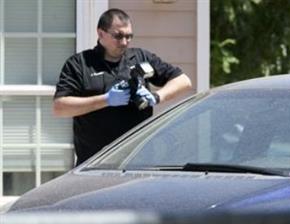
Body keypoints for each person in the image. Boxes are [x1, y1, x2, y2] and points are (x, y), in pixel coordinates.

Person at [53, 8, 192, 165]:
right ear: (100, 34)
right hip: (94, 163)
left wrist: (157, 96)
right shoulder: (80, 64)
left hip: (138, 161)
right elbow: (60, 107)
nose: (124, 42)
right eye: (118, 36)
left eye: (129, 36)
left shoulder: (140, 57)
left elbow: (183, 80)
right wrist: (106, 100)